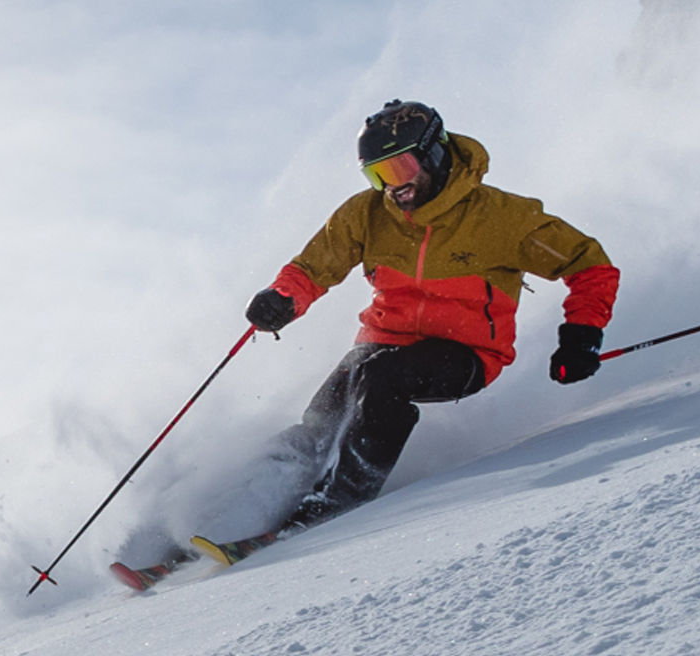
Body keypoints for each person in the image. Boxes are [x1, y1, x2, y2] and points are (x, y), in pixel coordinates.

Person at [246, 99, 620, 535]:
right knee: (325, 415)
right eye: (379, 175)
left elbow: (590, 265)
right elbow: (313, 267)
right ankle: (252, 500)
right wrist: (282, 297)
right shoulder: (366, 215)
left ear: (434, 153)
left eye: (400, 169)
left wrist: (582, 334)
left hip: (468, 352)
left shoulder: (501, 218)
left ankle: (339, 500)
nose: (393, 187)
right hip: (383, 341)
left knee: (382, 377)